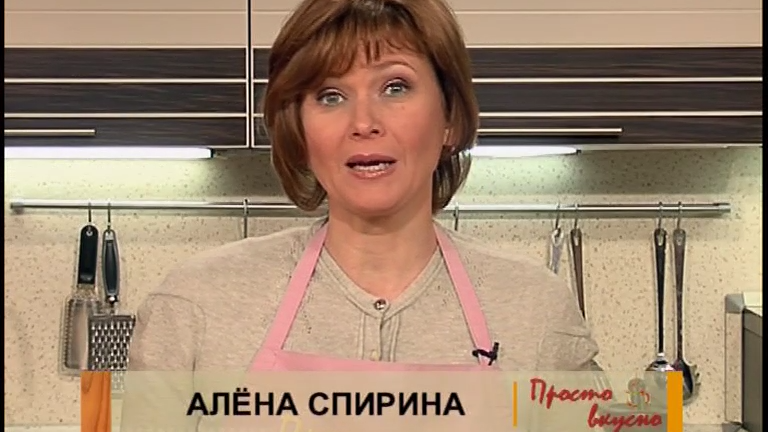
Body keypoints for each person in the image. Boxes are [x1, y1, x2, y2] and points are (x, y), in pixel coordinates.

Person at [122, 0, 600, 428]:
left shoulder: (536, 312)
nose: (363, 123)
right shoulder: (194, 305)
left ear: (450, 118)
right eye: (330, 95)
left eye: (395, 87)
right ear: (300, 131)